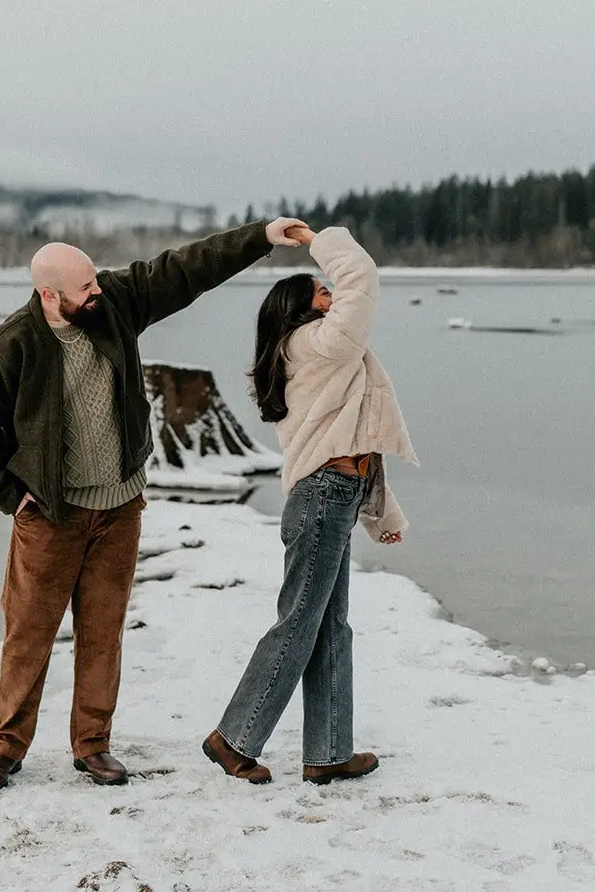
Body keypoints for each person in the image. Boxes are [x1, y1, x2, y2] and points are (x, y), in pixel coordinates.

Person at [0, 217, 307, 791]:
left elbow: (185, 269)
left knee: (104, 632)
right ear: (50, 295)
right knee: (29, 634)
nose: (97, 292)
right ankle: (7, 748)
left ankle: (92, 746)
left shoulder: (114, 303)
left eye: (96, 281)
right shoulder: (14, 342)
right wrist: (7, 492)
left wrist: (261, 236)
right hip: (51, 515)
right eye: (83, 289)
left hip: (119, 509)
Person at [203, 223, 417, 785]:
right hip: (323, 497)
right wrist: (320, 239)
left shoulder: (325, 352)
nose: (334, 296)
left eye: (329, 290)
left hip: (335, 495)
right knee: (300, 622)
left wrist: (381, 513)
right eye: (323, 292)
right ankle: (233, 738)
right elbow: (362, 276)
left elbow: (356, 437)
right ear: (299, 310)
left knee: (329, 626)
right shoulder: (314, 343)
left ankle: (326, 753)